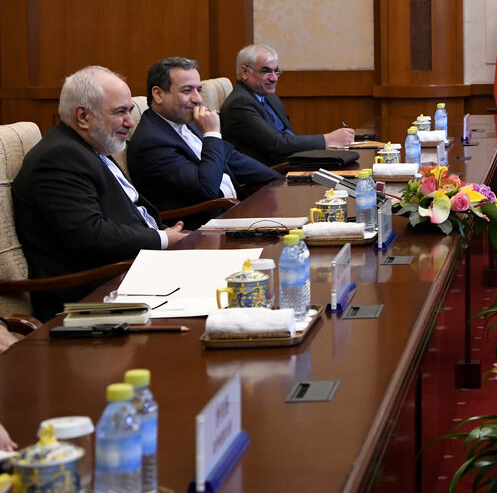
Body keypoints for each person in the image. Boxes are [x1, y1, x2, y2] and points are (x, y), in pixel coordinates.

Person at [13, 66, 189, 320]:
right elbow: (90, 234)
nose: (130, 121)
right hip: (92, 298)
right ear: (83, 116)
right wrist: (162, 239)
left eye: (130, 110)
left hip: (134, 273)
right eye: (120, 112)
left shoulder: (92, 146)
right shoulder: (59, 157)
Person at [127, 57, 281, 227]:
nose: (198, 99)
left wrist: (279, 182)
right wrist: (212, 134)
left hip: (237, 212)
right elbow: (206, 189)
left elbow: (232, 158)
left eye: (198, 90)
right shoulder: (152, 141)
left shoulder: (187, 122)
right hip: (202, 227)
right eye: (187, 91)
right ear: (158, 94)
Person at [220, 44, 355, 166]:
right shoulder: (239, 104)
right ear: (245, 72)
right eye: (266, 71)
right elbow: (276, 143)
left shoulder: (269, 96)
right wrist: (327, 140)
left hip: (291, 162)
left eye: (276, 71)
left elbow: (289, 136)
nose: (274, 78)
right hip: (271, 174)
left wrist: (324, 147)